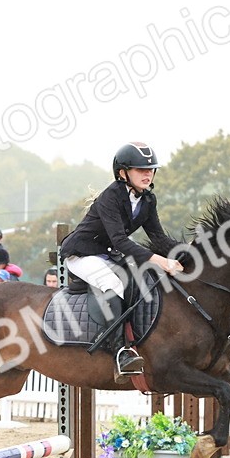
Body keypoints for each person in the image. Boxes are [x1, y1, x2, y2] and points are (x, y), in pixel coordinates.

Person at [58, 142, 183, 379]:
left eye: (151, 169)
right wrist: (160, 261)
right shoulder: (111, 197)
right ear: (123, 173)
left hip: (106, 254)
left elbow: (158, 237)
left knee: (140, 282)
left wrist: (187, 251)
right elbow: (120, 241)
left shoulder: (147, 200)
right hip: (81, 254)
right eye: (140, 169)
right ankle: (120, 353)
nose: (148, 174)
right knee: (113, 285)